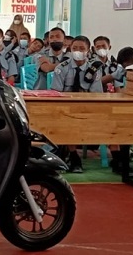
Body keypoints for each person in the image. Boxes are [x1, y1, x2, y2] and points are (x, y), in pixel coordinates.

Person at [50, 36, 102, 173]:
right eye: (74, 48)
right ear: (70, 49)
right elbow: (56, 93)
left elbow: (97, 94)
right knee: (67, 121)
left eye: (82, 48)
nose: (78, 51)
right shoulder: (61, 68)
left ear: (88, 50)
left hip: (87, 106)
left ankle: (118, 158)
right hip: (65, 106)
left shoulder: (94, 69)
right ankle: (74, 157)